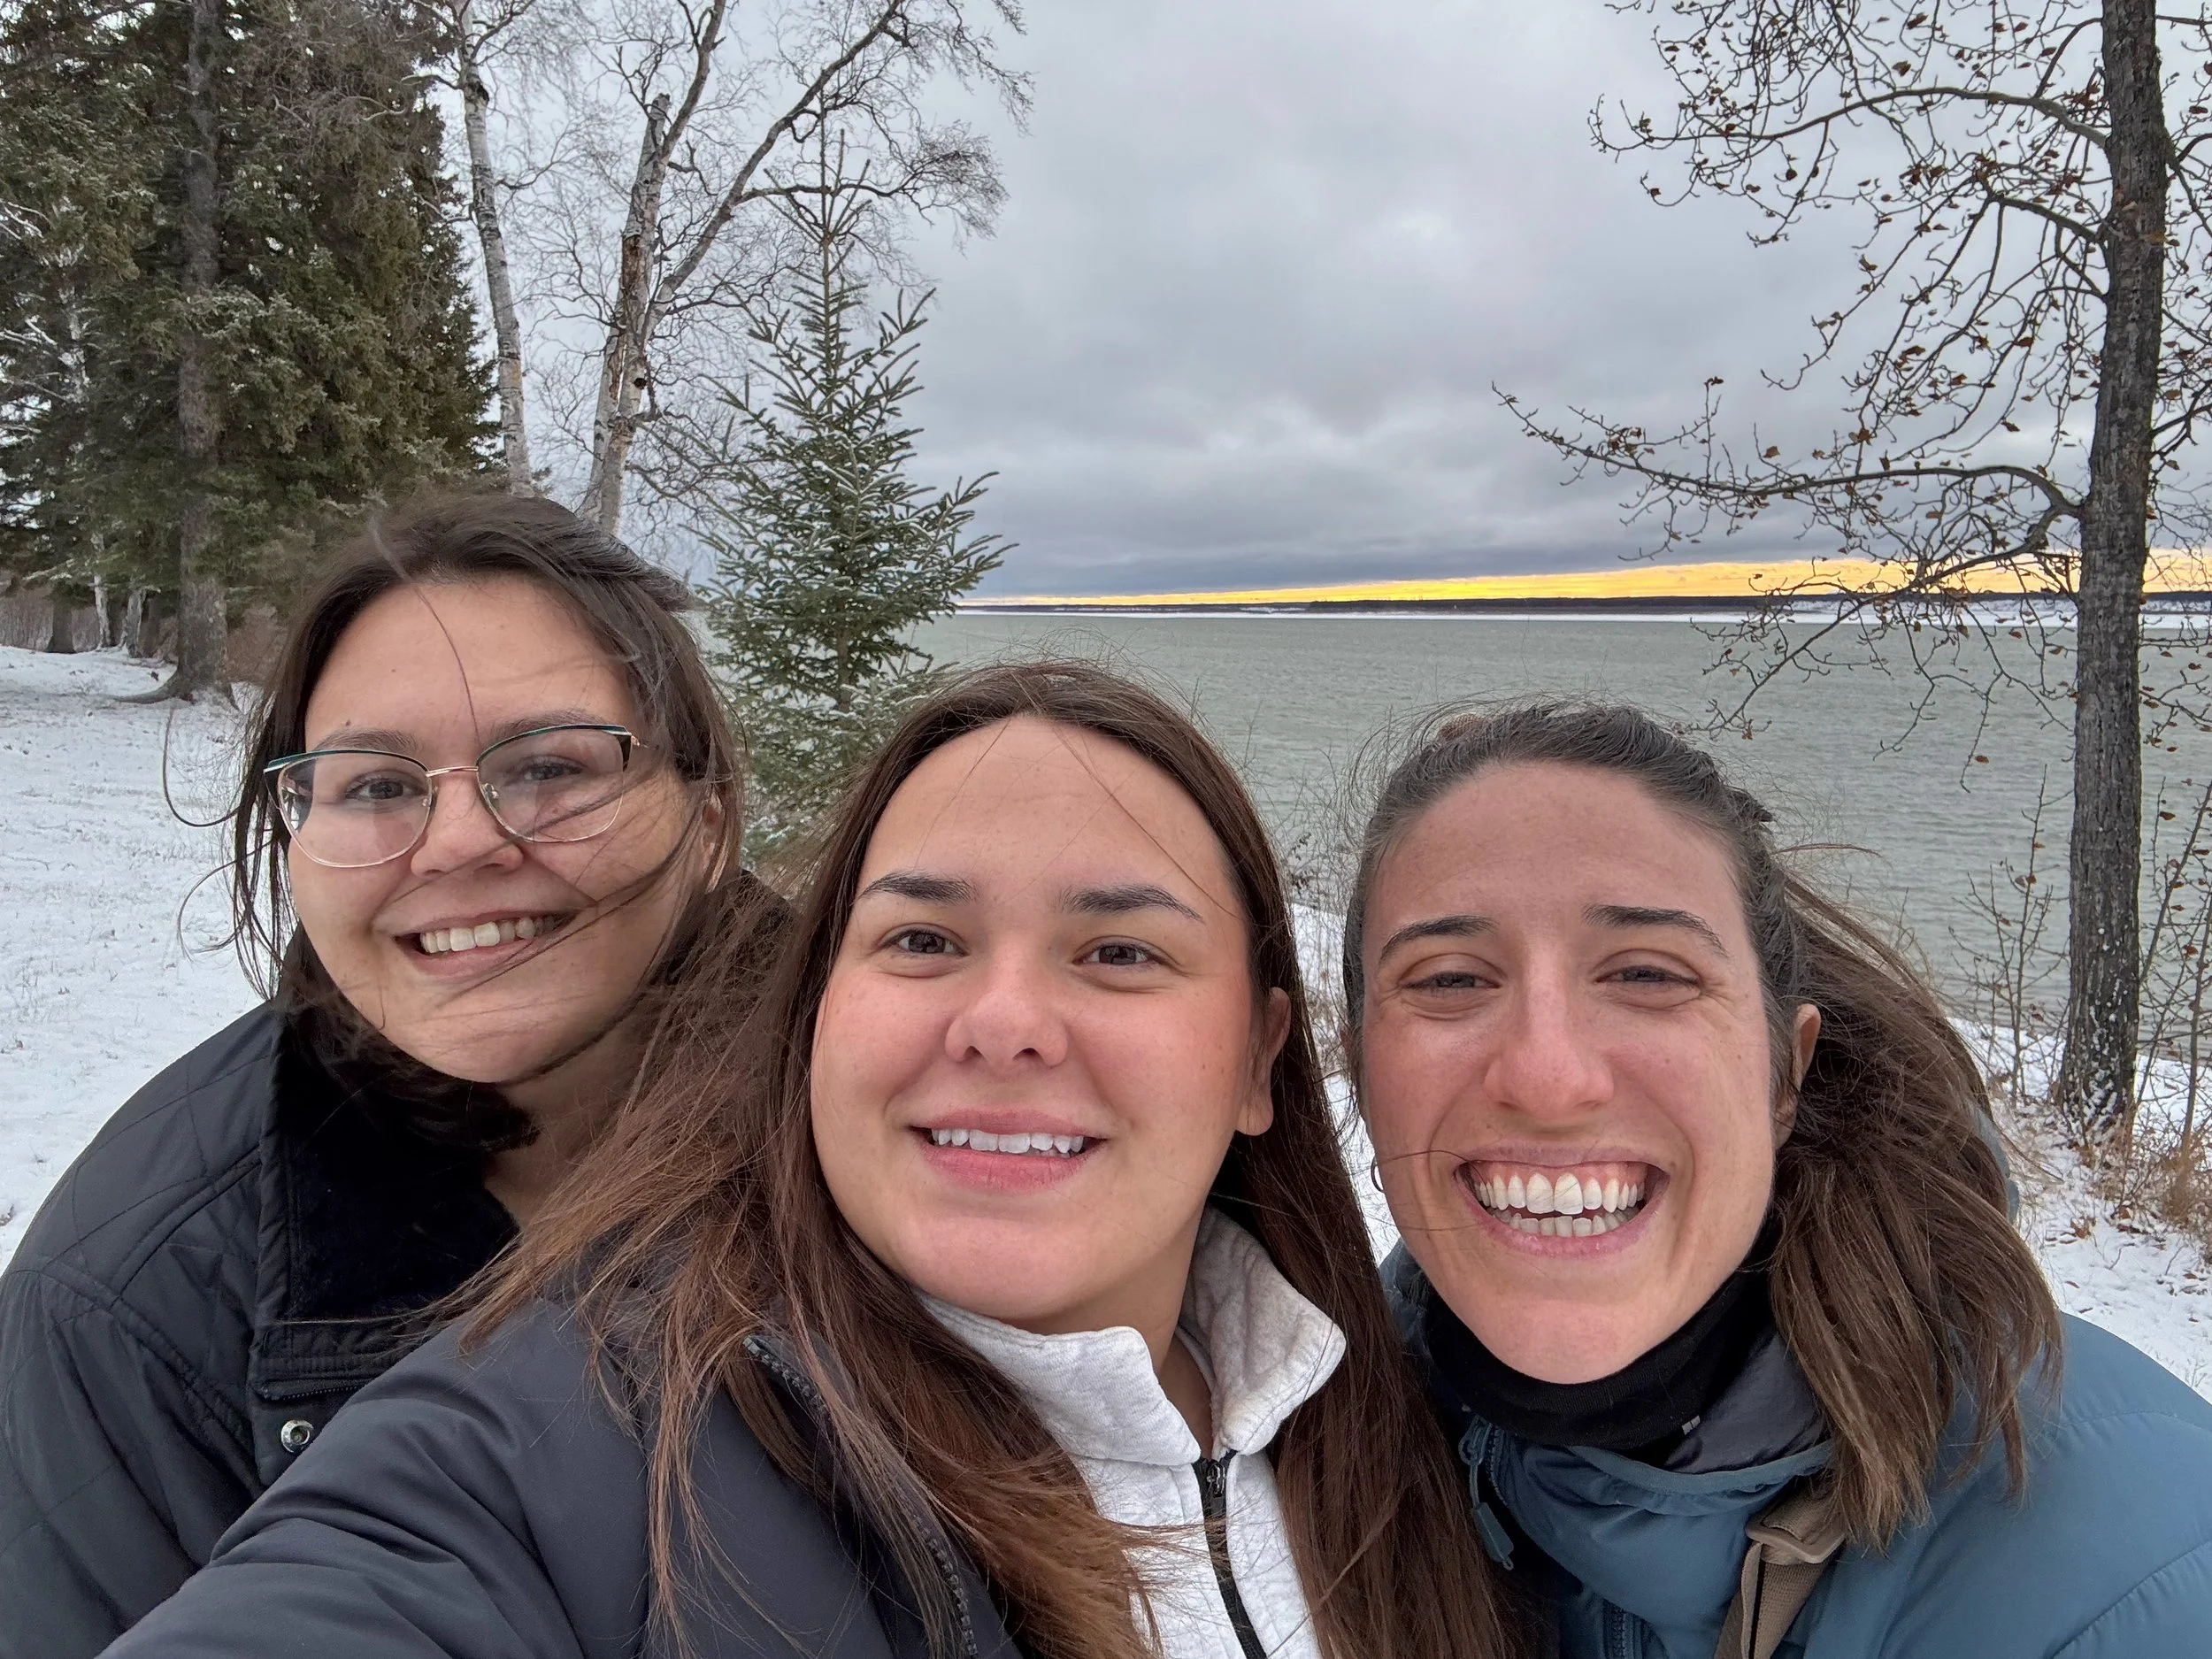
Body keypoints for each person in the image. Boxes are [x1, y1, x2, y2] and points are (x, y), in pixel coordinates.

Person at [101, 662, 1523, 1659]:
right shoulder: (570, 1460)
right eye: (920, 938)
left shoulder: (1409, 1434)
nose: (1007, 1019)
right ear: (815, 1015)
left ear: (1262, 1058)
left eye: (1119, 949)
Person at [0, 492, 774, 1659]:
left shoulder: (902, 1122)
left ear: (708, 823)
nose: (459, 841)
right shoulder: (126, 1308)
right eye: (373, 783)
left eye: (551, 764)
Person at [1341, 700, 2212, 1659]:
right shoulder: (1324, 1460)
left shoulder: (2135, 1578)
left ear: (1784, 1072)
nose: (1549, 1079)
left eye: (1646, 974)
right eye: (1451, 979)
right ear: (1362, 1072)